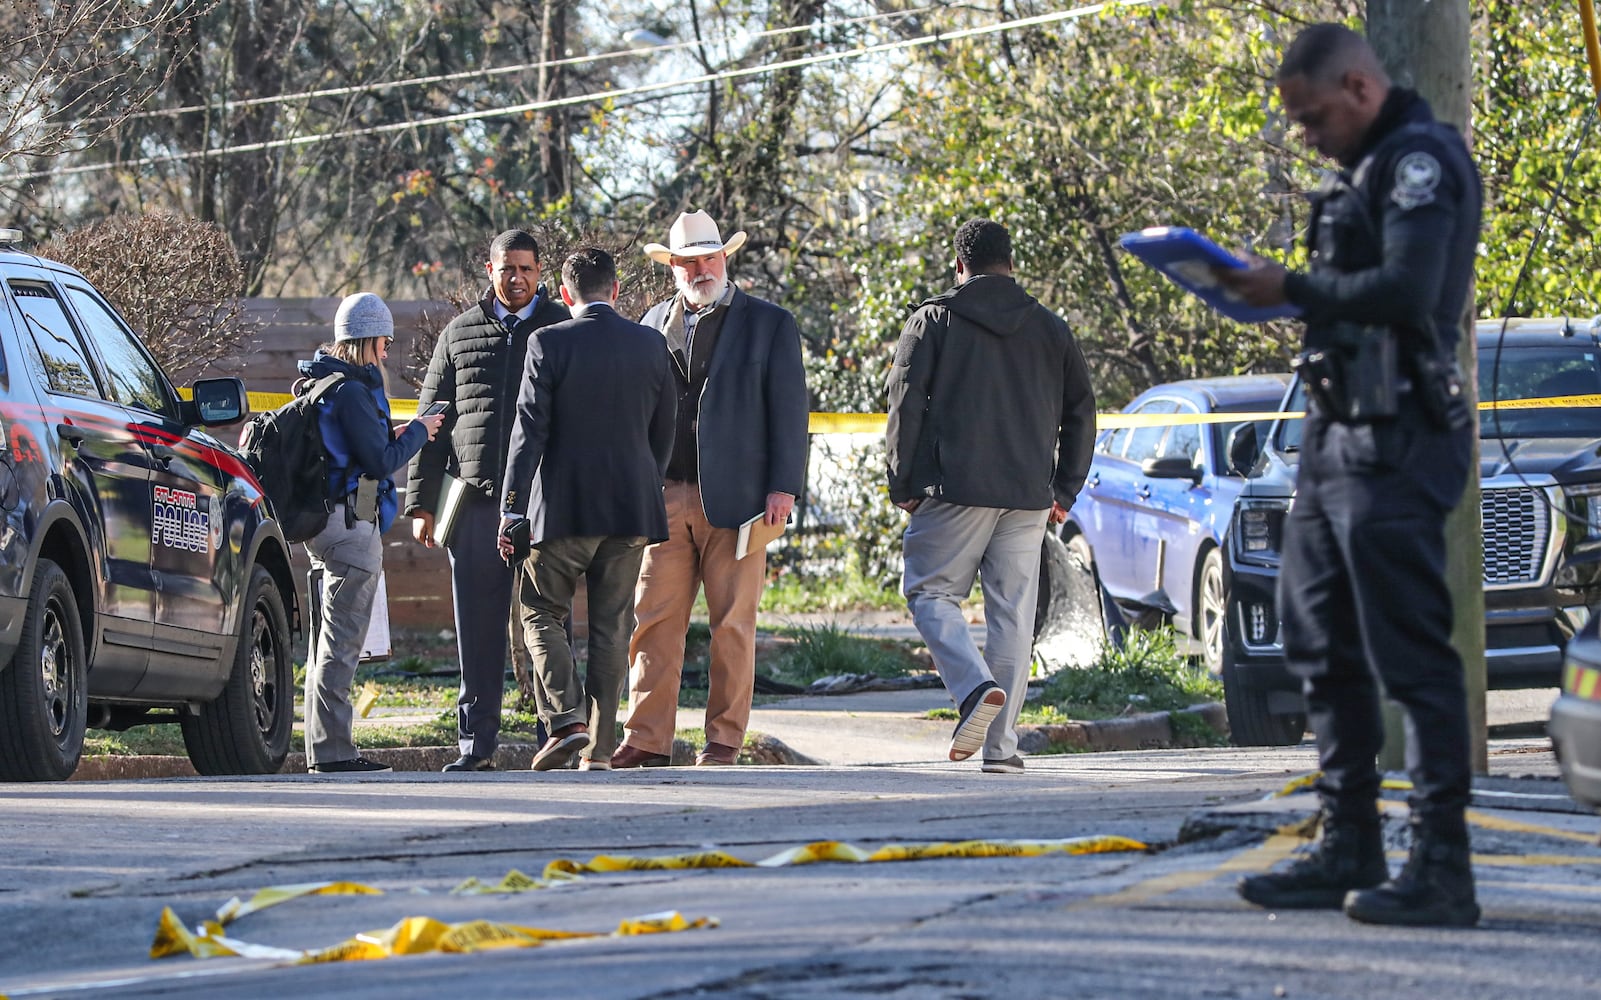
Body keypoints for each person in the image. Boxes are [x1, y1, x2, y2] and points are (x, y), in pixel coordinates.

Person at [1216, 23, 1483, 927]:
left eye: (1311, 114)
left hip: (1401, 432)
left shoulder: (1418, 163)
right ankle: (1348, 842)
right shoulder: (1356, 173)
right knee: (1317, 642)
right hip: (1336, 433)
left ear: (1360, 88)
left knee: (1408, 650)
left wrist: (1288, 286)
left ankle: (1441, 863)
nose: (1304, 134)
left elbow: (1409, 290)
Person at [884, 218, 1096, 775]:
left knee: (930, 592)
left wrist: (903, 483)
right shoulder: (1051, 328)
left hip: (955, 489)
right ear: (1011, 264)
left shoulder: (934, 321)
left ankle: (974, 688)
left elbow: (904, 401)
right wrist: (1065, 489)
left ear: (960, 266)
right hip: (1029, 495)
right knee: (1013, 619)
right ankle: (1001, 750)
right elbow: (1082, 413)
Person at [612, 210, 809, 768]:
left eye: (709, 257)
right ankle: (646, 740)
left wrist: (783, 487)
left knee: (733, 625)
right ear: (672, 267)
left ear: (725, 258)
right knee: (652, 622)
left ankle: (723, 741)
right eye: (689, 261)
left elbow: (791, 413)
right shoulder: (651, 322)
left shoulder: (770, 323)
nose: (700, 269)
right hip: (663, 496)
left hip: (743, 500)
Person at [498, 248, 676, 771]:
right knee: (611, 628)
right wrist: (645, 482)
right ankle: (598, 753)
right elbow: (662, 432)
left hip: (563, 509)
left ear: (564, 291)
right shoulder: (651, 344)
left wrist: (511, 508)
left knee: (539, 610)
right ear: (616, 290)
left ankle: (566, 720)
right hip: (631, 511)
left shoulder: (547, 341)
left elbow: (528, 431)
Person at [406, 230, 570, 772]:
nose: (516, 278)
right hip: (475, 506)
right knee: (477, 629)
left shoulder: (561, 330)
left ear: (540, 271)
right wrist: (420, 504)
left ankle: (557, 736)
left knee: (549, 623)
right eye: (507, 269)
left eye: (526, 268)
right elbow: (429, 424)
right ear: (489, 269)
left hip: (545, 506)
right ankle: (476, 746)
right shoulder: (458, 334)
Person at [301, 293, 445, 774]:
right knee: (342, 646)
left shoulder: (320, 384)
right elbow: (380, 462)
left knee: (326, 642)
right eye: (384, 341)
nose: (387, 350)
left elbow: (355, 447)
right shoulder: (353, 392)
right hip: (350, 529)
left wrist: (400, 429)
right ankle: (335, 754)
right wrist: (421, 431)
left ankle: (321, 748)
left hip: (323, 526)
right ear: (367, 339)